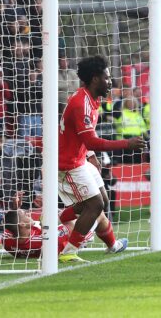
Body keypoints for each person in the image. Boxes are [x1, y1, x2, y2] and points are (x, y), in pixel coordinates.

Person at [57, 56, 146, 262]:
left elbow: (81, 138)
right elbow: (91, 140)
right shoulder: (81, 103)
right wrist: (126, 143)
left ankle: (111, 245)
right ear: (95, 79)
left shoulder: (91, 99)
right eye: (107, 78)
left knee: (103, 201)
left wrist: (91, 157)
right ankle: (69, 252)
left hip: (81, 159)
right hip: (68, 164)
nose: (111, 82)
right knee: (94, 205)